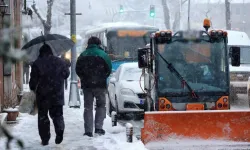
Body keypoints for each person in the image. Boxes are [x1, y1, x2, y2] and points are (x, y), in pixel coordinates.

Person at [29, 43, 70, 146]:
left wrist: (34, 87)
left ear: (40, 52)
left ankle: (45, 138)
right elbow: (66, 75)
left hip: (42, 95)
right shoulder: (59, 62)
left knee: (43, 116)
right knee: (57, 115)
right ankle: (59, 130)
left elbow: (32, 83)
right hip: (57, 94)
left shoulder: (37, 63)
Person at [76, 36, 112, 137]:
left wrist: (84, 77)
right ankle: (98, 128)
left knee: (88, 107)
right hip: (100, 85)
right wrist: (102, 77)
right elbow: (109, 69)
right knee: (100, 106)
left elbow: (77, 69)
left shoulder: (83, 55)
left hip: (87, 86)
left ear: (89, 44)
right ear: (98, 44)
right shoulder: (103, 55)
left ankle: (88, 131)